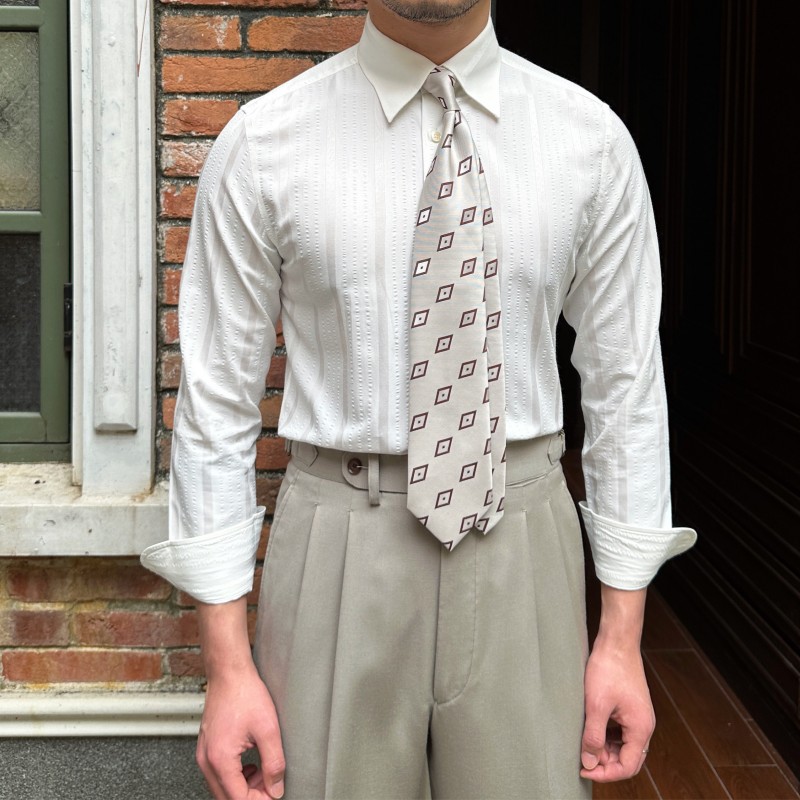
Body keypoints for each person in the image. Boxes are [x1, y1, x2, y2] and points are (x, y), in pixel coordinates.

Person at [141, 0, 697, 797]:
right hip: (338, 552)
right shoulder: (264, 146)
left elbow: (627, 388)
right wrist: (227, 668)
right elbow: (215, 406)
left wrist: (620, 638)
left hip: (524, 547)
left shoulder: (591, 143)